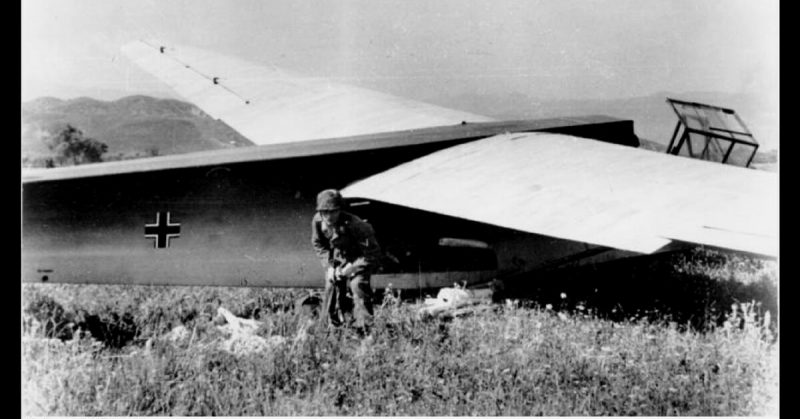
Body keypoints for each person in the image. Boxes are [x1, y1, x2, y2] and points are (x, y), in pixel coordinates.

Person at [311, 189, 381, 332]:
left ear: (340, 210)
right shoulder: (318, 221)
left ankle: (365, 329)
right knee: (331, 284)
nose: (329, 216)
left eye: (333, 211)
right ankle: (330, 326)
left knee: (357, 285)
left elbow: (372, 253)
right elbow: (318, 244)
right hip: (338, 259)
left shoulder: (356, 225)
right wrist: (329, 266)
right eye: (325, 212)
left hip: (359, 259)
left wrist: (352, 268)